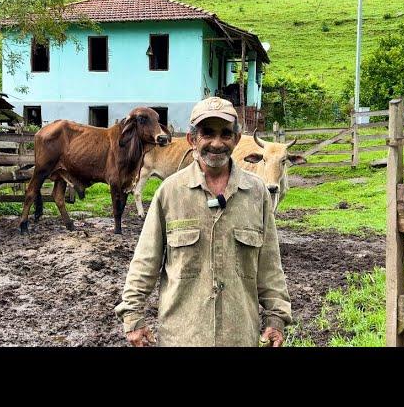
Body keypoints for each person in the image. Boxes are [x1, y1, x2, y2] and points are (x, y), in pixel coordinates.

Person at [114, 97, 292, 347]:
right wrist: (133, 316)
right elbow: (145, 261)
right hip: (182, 336)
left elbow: (270, 266)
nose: (217, 143)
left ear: (236, 139)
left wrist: (276, 318)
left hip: (239, 336)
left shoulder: (257, 194)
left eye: (225, 134)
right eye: (207, 133)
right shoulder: (170, 193)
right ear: (192, 139)